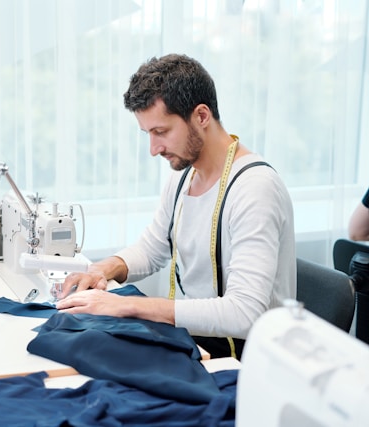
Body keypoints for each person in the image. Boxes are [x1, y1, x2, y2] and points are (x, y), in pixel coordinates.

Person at [55, 54, 296, 359]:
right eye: (148, 134)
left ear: (202, 116)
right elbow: (154, 248)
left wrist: (129, 305)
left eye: (161, 132)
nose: (154, 150)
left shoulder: (254, 188)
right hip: (202, 346)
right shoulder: (185, 175)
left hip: (249, 363)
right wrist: (103, 268)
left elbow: (244, 313)